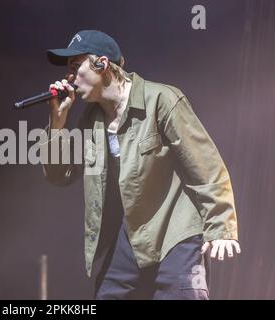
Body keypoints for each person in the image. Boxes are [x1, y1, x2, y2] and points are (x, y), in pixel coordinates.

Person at [42, 30, 240, 300]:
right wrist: (58, 121)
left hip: (175, 234)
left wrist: (221, 227)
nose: (69, 77)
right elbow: (59, 175)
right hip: (128, 238)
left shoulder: (161, 100)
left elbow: (206, 166)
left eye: (76, 67)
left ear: (102, 64)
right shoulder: (91, 121)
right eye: (68, 71)